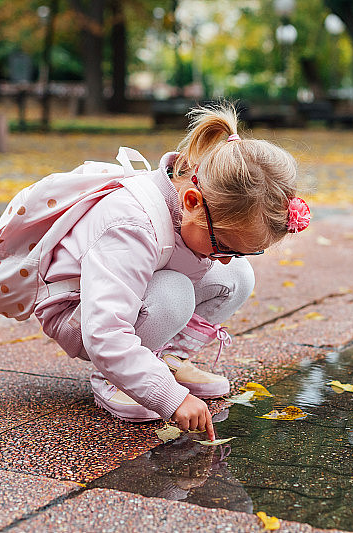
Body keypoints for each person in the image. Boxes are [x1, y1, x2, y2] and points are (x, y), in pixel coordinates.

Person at [33, 103, 310, 441]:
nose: (224, 258)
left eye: (242, 250)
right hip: (78, 314)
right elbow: (104, 331)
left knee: (238, 277)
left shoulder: (194, 211)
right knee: (174, 292)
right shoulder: (130, 225)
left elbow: (219, 260)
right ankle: (115, 377)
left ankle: (164, 358)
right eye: (224, 246)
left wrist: (229, 252)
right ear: (192, 201)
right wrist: (171, 398)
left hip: (136, 289)